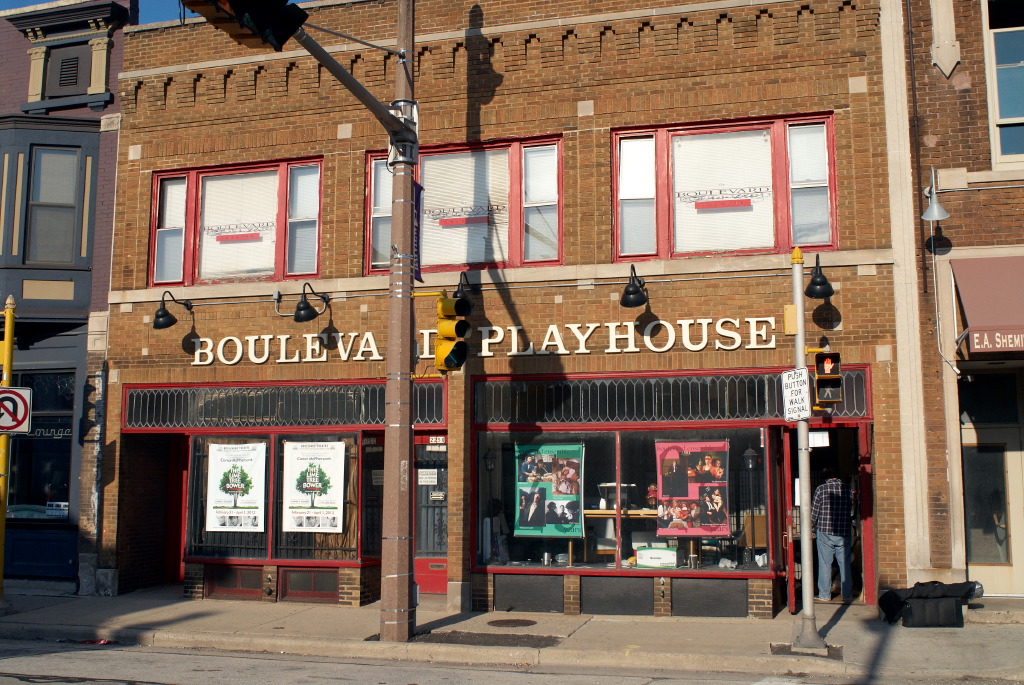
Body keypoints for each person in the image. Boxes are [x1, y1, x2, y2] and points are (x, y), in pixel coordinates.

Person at [811, 469, 854, 602]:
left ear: (825, 479)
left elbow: (814, 512)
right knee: (845, 564)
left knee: (825, 564)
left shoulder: (821, 489)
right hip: (844, 532)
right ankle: (847, 595)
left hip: (825, 531)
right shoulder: (848, 489)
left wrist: (811, 529)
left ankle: (824, 594)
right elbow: (852, 509)